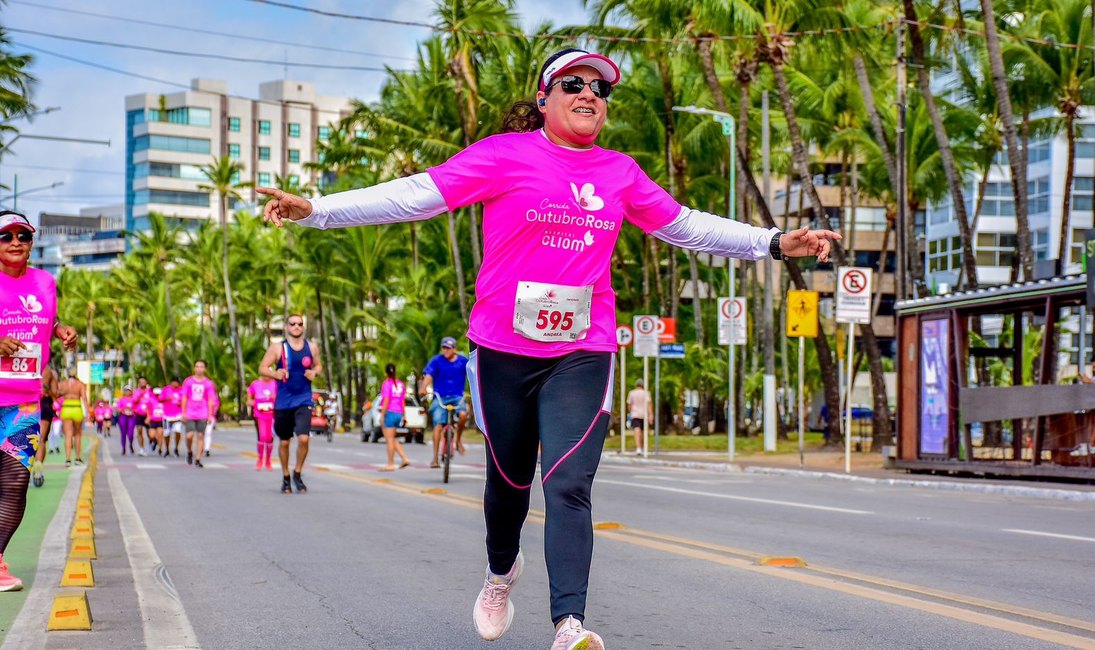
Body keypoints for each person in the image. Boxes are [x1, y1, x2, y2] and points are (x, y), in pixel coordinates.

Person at [258, 47, 839, 649]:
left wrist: (772, 242)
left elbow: (684, 224)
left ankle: (569, 625)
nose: (589, 95)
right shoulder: (502, 155)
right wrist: (317, 211)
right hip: (503, 352)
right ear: (544, 97)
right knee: (508, 481)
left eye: (600, 88)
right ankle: (501, 573)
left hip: (581, 350)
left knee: (566, 482)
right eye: (573, 84)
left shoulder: (619, 171)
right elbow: (413, 196)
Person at [0, 210, 77, 590]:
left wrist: (61, 329)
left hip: (26, 399)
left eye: (23, 236)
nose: (15, 242)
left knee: (15, 479)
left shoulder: (46, 282)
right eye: (6, 236)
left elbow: (46, 319)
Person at [259, 314, 322, 494]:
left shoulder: (312, 347)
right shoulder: (278, 348)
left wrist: (314, 373)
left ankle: (298, 472)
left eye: (299, 324)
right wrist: (275, 374)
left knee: (303, 438)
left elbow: (318, 366)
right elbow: (262, 368)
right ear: (286, 327)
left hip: (303, 399)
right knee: (285, 442)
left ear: (303, 327)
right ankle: (286, 476)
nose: (296, 327)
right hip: (283, 402)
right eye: (292, 324)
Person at [422, 337, 470, 466]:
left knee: (463, 415)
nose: (446, 350)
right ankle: (435, 459)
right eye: (444, 348)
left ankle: (458, 440)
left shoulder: (462, 361)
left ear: (454, 349)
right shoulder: (437, 361)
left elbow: (473, 373)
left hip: (457, 397)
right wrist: (424, 387)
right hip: (440, 397)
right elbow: (428, 375)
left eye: (448, 348)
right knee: (437, 426)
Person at [181, 360, 217, 468]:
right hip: (190, 412)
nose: (199, 369)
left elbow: (210, 399)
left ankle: (198, 459)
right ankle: (189, 451)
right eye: (197, 366)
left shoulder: (208, 383)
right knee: (189, 436)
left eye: (201, 367)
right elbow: (184, 397)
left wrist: (210, 414)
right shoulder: (188, 381)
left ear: (205, 369)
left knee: (201, 435)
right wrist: (183, 412)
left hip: (203, 412)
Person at [378, 364, 411, 471]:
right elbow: (402, 401)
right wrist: (404, 415)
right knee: (392, 438)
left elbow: (386, 400)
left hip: (390, 412)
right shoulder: (401, 384)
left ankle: (390, 464)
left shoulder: (387, 384)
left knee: (389, 440)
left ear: (386, 372)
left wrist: (382, 415)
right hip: (399, 413)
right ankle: (404, 458)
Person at [31, 365, 59, 488]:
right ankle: (38, 472)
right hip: (42, 403)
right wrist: (47, 387)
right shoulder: (50, 371)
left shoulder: (27, 362)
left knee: (29, 439)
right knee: (41, 440)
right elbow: (55, 393)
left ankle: (29, 472)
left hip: (27, 402)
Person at [57, 367, 89, 467]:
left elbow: (57, 395)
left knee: (68, 435)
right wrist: (87, 412)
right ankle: (78, 458)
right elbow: (84, 398)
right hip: (77, 408)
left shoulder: (62, 384)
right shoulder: (80, 384)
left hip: (66, 408)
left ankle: (68, 459)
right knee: (78, 434)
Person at [247, 374, 278, 471]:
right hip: (259, 414)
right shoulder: (255, 384)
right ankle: (260, 459)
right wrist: (252, 402)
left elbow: (281, 397)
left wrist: (274, 398)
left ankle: (268, 460)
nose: (266, 376)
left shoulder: (275, 384)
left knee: (269, 438)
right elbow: (249, 398)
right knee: (262, 437)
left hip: (272, 415)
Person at [626, 379, 652, 456]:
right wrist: (651, 415)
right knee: (643, 432)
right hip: (644, 414)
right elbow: (649, 404)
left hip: (635, 414)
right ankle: (642, 447)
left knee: (637, 431)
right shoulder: (646, 393)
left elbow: (629, 405)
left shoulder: (632, 393)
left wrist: (630, 412)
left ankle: (638, 448)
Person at [161, 378, 184, 457]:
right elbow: (160, 399)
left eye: (177, 382)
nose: (175, 384)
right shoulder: (166, 389)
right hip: (166, 416)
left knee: (178, 431)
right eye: (174, 382)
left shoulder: (181, 390)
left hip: (178, 415)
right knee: (166, 433)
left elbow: (185, 401)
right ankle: (167, 449)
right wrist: (166, 398)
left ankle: (176, 448)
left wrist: (181, 403)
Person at [132, 376, 152, 457]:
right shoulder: (137, 392)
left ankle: (152, 441)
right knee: (139, 430)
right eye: (141, 382)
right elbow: (134, 401)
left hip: (148, 414)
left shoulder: (150, 391)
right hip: (139, 414)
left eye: (144, 381)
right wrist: (141, 394)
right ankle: (142, 449)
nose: (142, 383)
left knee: (150, 433)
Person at [116, 386, 136, 456]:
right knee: (123, 433)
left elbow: (137, 409)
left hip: (131, 417)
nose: (128, 392)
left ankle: (131, 444)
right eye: (126, 391)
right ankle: (123, 448)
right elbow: (118, 410)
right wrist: (124, 409)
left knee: (130, 433)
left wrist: (132, 409)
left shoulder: (134, 400)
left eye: (129, 390)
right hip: (123, 417)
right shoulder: (121, 400)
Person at [147, 387, 165, 457]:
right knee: (151, 435)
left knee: (160, 435)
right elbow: (148, 409)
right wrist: (148, 417)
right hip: (153, 420)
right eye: (156, 394)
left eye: (159, 394)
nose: (158, 395)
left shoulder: (163, 401)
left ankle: (160, 449)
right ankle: (154, 441)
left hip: (161, 420)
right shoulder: (151, 400)